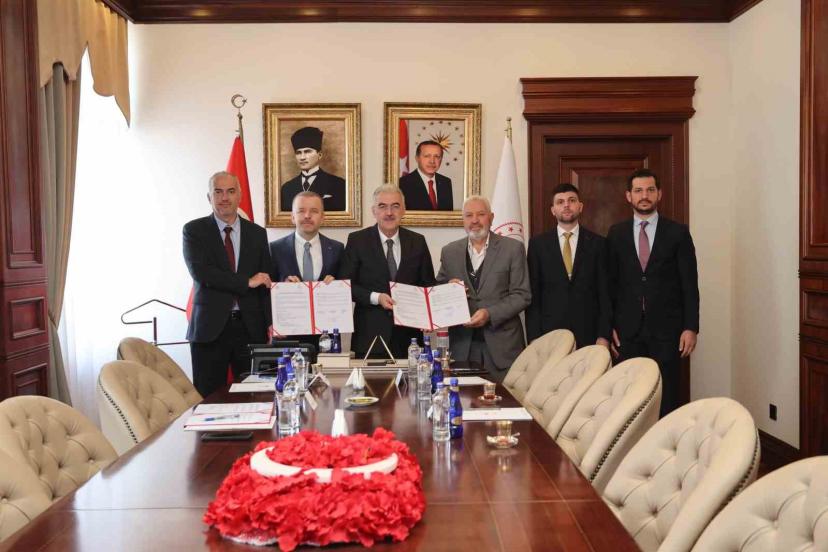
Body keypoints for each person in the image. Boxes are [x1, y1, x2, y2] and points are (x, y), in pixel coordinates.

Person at [607, 168, 699, 417]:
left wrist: (691, 327)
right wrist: (609, 326)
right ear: (629, 196)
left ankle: (667, 441)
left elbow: (690, 284)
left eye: (650, 190)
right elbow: (610, 285)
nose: (644, 195)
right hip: (627, 332)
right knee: (628, 400)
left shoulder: (678, 233)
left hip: (668, 332)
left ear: (659, 194)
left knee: (666, 398)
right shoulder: (616, 234)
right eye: (638, 191)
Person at [183, 171, 272, 397]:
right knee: (208, 399)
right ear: (209, 197)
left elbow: (265, 281)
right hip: (209, 330)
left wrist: (272, 324)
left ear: (239, 196)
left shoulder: (257, 234)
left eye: (231, 191)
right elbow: (202, 273)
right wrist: (246, 282)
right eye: (218, 192)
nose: (224, 197)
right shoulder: (194, 231)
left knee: (255, 396)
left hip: (250, 329)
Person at [436, 196, 531, 381]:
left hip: (502, 349)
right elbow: (438, 290)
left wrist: (490, 314)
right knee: (463, 397)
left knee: (503, 399)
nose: (475, 220)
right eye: (469, 215)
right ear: (463, 220)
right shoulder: (449, 251)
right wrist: (448, 289)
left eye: (481, 214)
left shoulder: (513, 249)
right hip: (462, 347)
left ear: (491, 217)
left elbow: (522, 295)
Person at [338, 184, 435, 358]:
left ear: (403, 210)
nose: (389, 212)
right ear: (374, 211)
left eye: (395, 206)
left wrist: (445, 294)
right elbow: (345, 286)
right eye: (382, 206)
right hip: (369, 338)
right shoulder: (357, 240)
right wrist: (376, 297)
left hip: (409, 339)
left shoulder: (418, 241)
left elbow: (427, 285)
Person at [526, 183, 611, 349]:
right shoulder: (538, 245)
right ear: (553, 210)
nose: (566, 205)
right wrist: (534, 338)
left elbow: (605, 294)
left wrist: (604, 335)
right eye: (560, 202)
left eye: (571, 200)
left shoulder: (598, 244)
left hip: (590, 334)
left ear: (580, 206)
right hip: (549, 336)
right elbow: (533, 296)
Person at [269, 191, 344, 346]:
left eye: (314, 211)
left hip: (326, 336)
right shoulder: (275, 249)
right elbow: (266, 291)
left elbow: (345, 290)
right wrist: (283, 287)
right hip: (287, 335)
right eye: (301, 211)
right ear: (292, 217)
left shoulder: (337, 249)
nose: (307, 216)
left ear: (322, 217)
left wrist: (336, 285)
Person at [280, 126, 346, 212]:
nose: (302, 157)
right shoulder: (287, 189)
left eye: (307, 151)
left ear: (319, 155)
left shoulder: (338, 185)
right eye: (298, 153)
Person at [398, 140, 453, 210]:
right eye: (427, 156)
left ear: (441, 159)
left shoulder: (445, 182)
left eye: (437, 156)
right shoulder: (403, 183)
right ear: (417, 158)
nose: (432, 161)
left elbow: (447, 214)